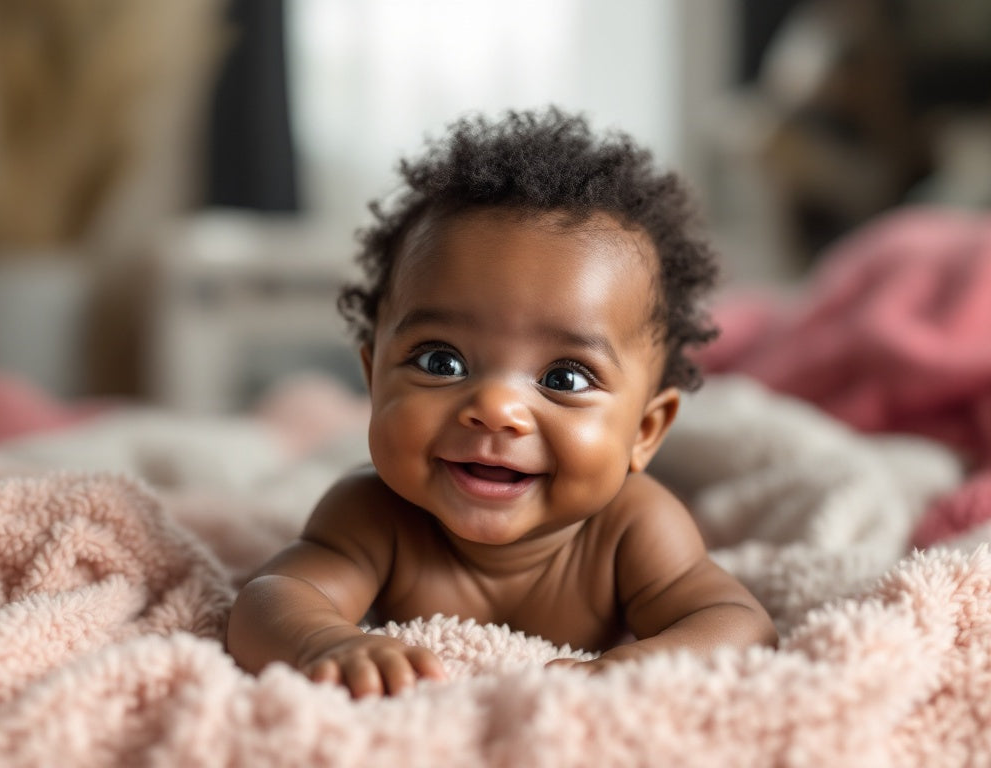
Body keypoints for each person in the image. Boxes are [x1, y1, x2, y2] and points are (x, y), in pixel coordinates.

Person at [227, 107, 777, 698]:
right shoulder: (372, 514)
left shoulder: (633, 527)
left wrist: (641, 665)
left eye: (564, 379)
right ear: (374, 379)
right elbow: (269, 600)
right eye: (442, 362)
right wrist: (322, 642)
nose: (494, 407)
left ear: (645, 430)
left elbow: (740, 625)